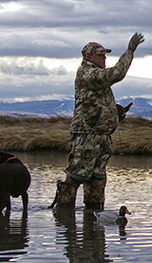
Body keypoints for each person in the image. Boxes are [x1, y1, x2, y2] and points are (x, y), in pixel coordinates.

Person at [51, 32, 144, 212]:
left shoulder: (96, 76)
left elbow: (97, 104)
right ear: (88, 56)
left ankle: (93, 222)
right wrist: (130, 50)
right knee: (77, 175)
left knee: (97, 178)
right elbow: (116, 74)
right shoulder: (87, 74)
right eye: (101, 55)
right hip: (88, 135)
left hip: (102, 137)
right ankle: (63, 216)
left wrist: (116, 114)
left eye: (105, 54)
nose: (104, 58)